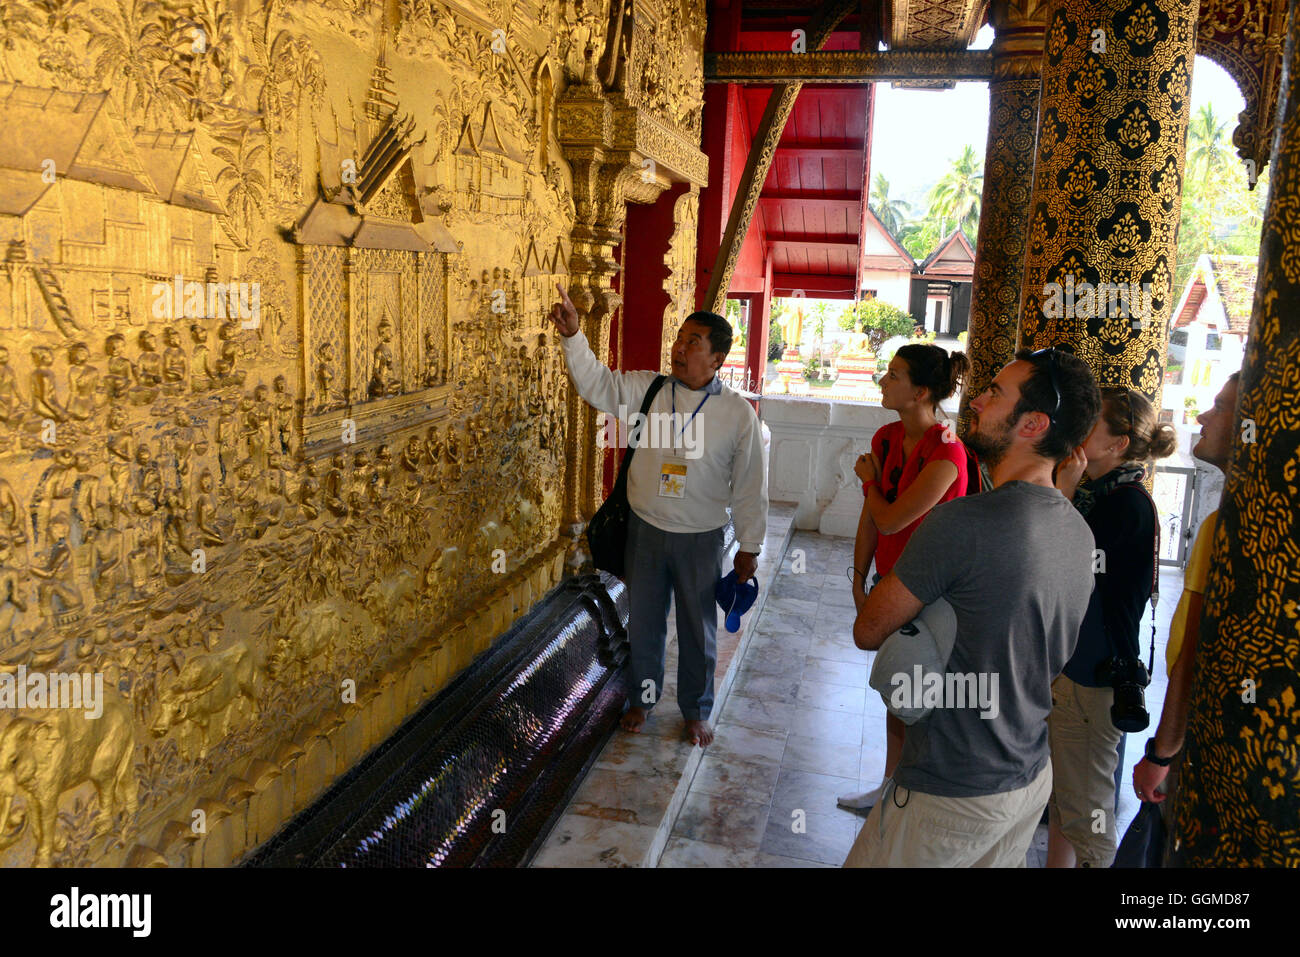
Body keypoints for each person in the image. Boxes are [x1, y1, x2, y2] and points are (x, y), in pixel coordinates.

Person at [843, 348, 1101, 867]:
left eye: (995, 394)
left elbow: (868, 629)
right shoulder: (1076, 529)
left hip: (952, 783)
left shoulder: (963, 522)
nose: (976, 400)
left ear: (1032, 424)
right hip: (1025, 775)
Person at [548, 283, 767, 747]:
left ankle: (695, 710)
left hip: (700, 536)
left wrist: (749, 546)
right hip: (645, 529)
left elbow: (750, 486)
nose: (680, 348)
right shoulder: (649, 389)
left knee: (697, 629)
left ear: (717, 361)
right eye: (680, 338)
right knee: (645, 623)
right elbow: (598, 384)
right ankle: (642, 699)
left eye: (693, 343)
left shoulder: (736, 414)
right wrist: (573, 336)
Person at [1046, 387, 1178, 867]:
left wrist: (1060, 492)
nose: (1079, 430)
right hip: (1077, 666)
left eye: (1091, 423)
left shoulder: (1122, 505)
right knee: (1066, 799)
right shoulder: (1095, 495)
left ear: (1118, 444)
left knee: (1089, 814)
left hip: (1093, 674)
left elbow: (1055, 563)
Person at [837, 344, 971, 811]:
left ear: (921, 392)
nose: (883, 381)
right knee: (897, 686)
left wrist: (869, 482)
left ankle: (918, 792)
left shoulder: (948, 452)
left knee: (921, 693)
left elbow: (892, 518)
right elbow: (871, 521)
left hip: (934, 593)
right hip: (890, 582)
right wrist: (858, 578)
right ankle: (892, 787)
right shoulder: (887, 438)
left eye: (893, 376)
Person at [1131, 372, 1240, 814]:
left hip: (1210, 742)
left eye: (1221, 406)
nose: (1205, 416)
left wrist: (1162, 751)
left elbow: (1193, 655)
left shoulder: (1229, 528)